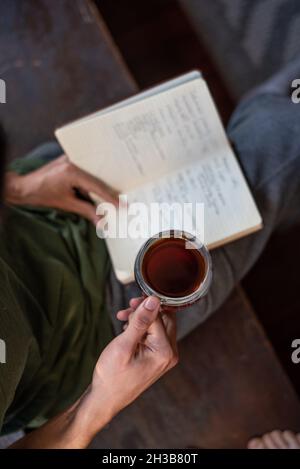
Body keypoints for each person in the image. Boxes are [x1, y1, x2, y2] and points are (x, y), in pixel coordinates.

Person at [1, 57, 300, 448]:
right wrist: (97, 405)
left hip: (54, 200)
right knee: (283, 135)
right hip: (91, 331)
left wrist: (17, 187)